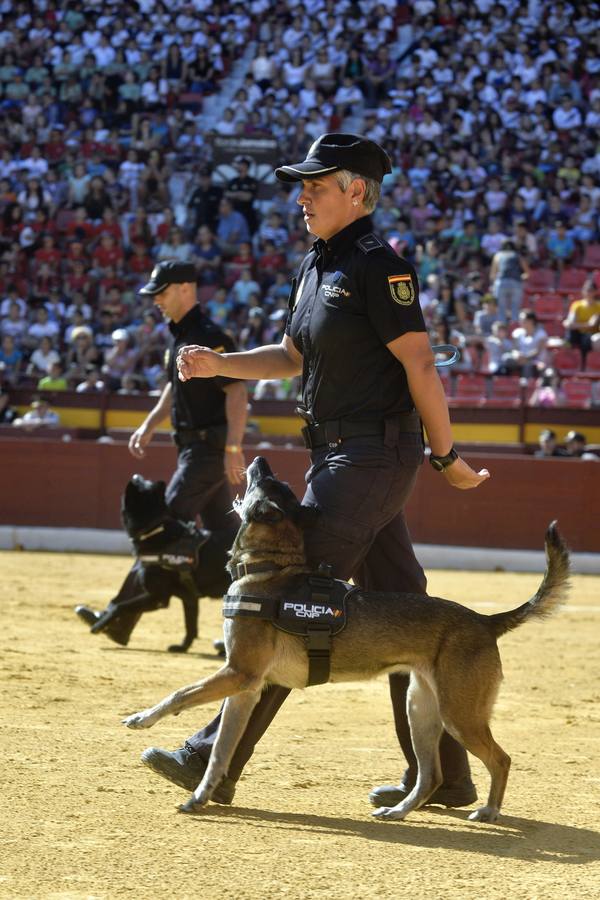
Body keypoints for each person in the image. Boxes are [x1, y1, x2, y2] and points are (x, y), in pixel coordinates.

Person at [142, 135, 490, 810]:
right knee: (407, 610)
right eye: (301, 186)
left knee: (289, 599)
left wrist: (447, 457)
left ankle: (208, 760)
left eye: (317, 185)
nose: (302, 196)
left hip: (371, 457)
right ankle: (447, 777)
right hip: (342, 455)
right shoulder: (317, 265)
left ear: (356, 190)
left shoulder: (378, 265)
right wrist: (220, 364)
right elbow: (289, 356)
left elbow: (420, 363)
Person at [75, 260, 248, 646]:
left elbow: (236, 391)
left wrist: (233, 448)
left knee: (158, 528)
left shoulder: (209, 335)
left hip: (207, 451)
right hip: (196, 450)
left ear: (187, 288)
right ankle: (245, 629)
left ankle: (119, 617)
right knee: (229, 543)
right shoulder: (183, 335)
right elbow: (176, 387)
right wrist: (150, 424)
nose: (156, 301)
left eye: (162, 292)